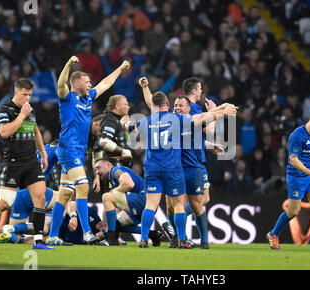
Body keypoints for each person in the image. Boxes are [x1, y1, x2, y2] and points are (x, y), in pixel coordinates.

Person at [126, 85, 236, 248]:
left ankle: (144, 239)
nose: (177, 107)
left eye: (180, 105)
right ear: (168, 105)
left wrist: (124, 121)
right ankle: (181, 239)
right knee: (177, 206)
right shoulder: (177, 120)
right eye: (175, 105)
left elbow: (130, 127)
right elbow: (202, 119)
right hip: (173, 168)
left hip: (154, 168)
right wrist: (223, 112)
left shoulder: (146, 121)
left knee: (153, 205)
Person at [47, 55, 130, 246]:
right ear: (76, 84)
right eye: (87, 81)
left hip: (78, 151)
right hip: (67, 148)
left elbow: (105, 84)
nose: (90, 83)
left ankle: (52, 236)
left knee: (65, 194)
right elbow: (61, 84)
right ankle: (86, 233)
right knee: (82, 187)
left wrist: (120, 68)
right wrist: (68, 64)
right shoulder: (68, 98)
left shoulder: (88, 97)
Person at [0, 78, 53, 250]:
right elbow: (4, 132)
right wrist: (22, 115)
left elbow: (36, 130)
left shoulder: (30, 110)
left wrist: (43, 153)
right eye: (24, 94)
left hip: (31, 161)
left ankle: (38, 241)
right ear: (16, 92)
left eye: (30, 95)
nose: (27, 98)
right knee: (5, 203)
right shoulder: (4, 110)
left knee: (40, 197)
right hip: (13, 163)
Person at [266, 110, 310, 251]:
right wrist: (309, 171)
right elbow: (293, 160)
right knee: (294, 211)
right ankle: (273, 234)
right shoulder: (297, 135)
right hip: (296, 176)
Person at [0, 140, 63, 245]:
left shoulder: (33, 150)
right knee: (64, 199)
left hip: (18, 194)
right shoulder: (54, 149)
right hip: (35, 191)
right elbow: (63, 154)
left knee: (18, 237)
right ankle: (53, 235)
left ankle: (10, 232)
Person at [94, 157, 162, 246]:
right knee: (117, 224)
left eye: (98, 167)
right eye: (95, 169)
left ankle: (110, 239)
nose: (97, 172)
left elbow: (129, 184)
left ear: (108, 165)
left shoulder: (116, 170)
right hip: (147, 205)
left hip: (142, 199)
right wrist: (99, 234)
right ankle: (153, 234)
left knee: (106, 196)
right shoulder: (114, 180)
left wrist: (112, 192)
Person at [92, 95, 133, 193]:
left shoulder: (117, 120)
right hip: (113, 169)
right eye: (125, 104)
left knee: (119, 202)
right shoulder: (110, 121)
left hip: (120, 168)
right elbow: (105, 142)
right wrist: (123, 151)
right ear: (117, 106)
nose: (128, 107)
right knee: (116, 200)